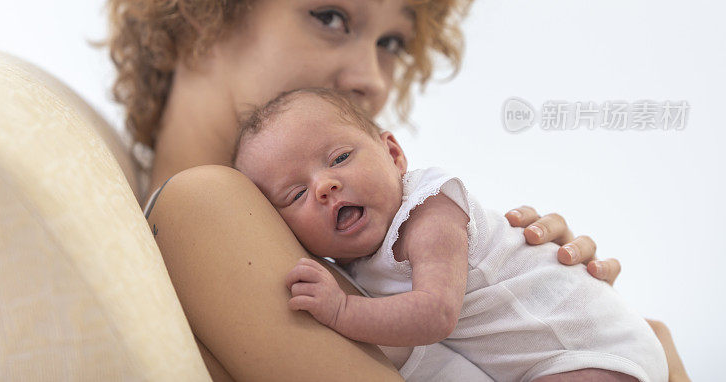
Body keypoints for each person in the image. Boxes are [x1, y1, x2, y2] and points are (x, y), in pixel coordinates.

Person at [106, 0, 688, 380]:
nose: (373, 80)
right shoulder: (202, 208)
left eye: (392, 45)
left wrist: (559, 318)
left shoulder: (354, 249)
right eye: (332, 16)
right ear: (202, 9)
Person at [233, 88, 668, 381]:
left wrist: (341, 309)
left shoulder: (428, 211)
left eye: (340, 157)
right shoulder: (351, 258)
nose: (324, 186)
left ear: (393, 154)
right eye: (295, 194)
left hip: (587, 349)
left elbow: (434, 314)